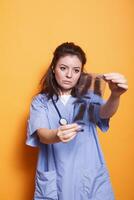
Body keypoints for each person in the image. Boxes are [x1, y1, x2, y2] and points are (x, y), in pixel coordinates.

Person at [26, 42, 128, 200]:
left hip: (89, 175)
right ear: (53, 68)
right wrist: (56, 134)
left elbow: (104, 113)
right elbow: (42, 134)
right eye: (63, 68)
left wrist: (115, 95)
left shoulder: (88, 95)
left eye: (76, 70)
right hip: (56, 176)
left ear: (81, 73)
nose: (69, 75)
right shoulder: (41, 101)